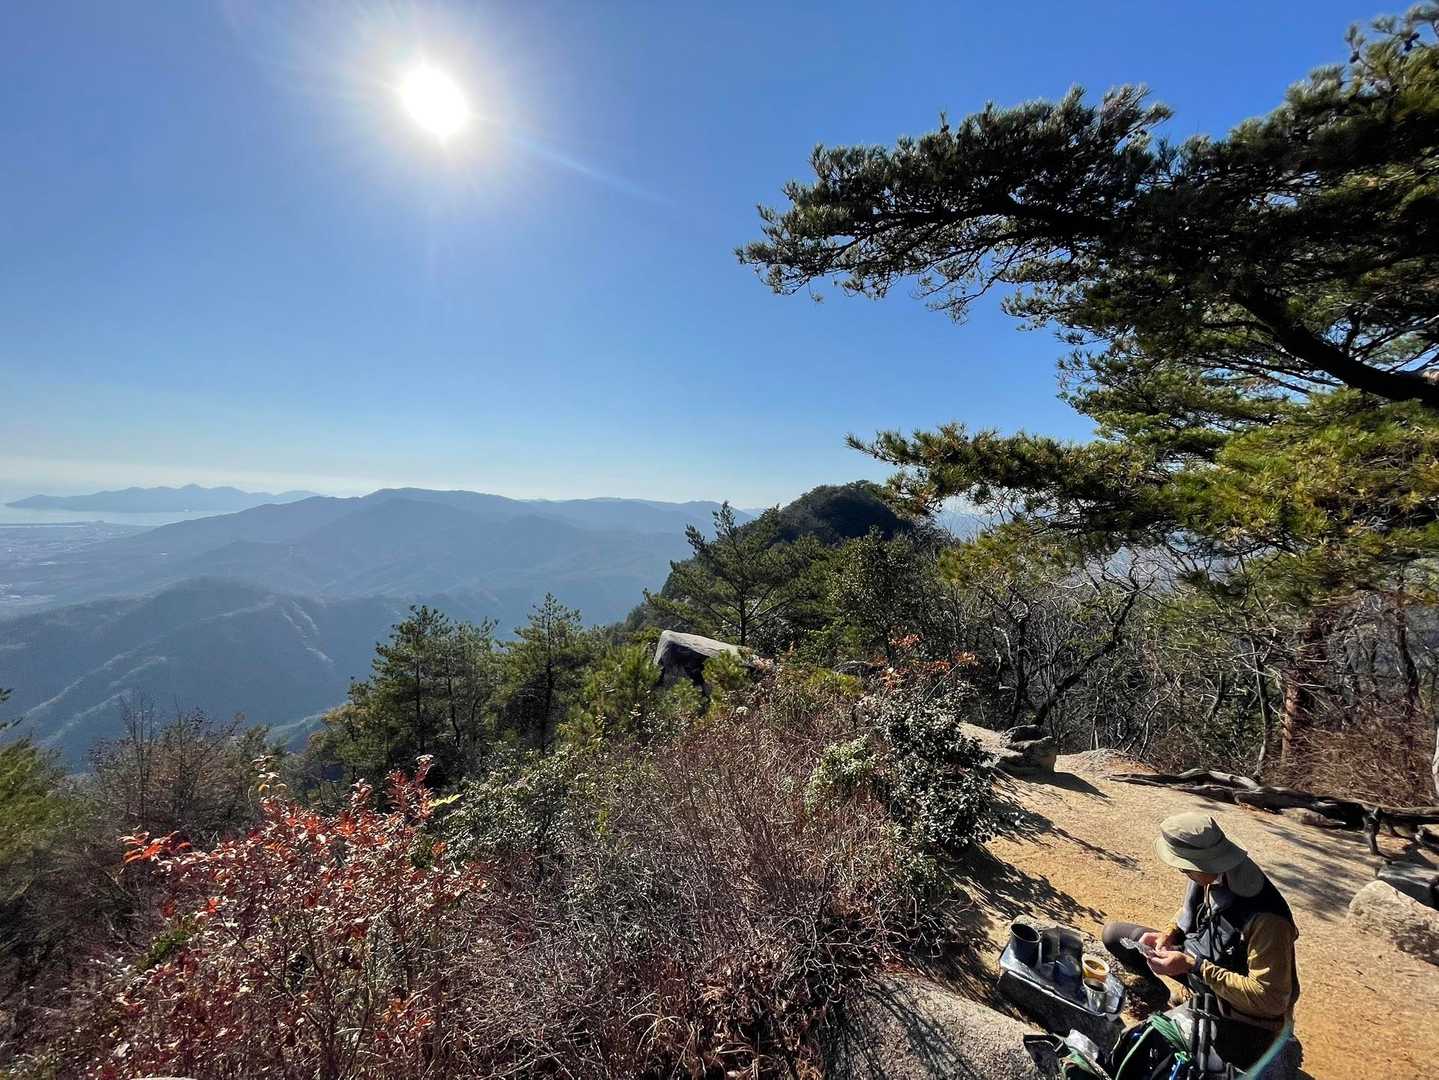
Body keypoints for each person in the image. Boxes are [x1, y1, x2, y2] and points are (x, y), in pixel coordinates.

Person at [1101, 812, 1300, 1070]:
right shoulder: (1211, 873)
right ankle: (1166, 996)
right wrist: (1169, 935)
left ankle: (1195, 1008)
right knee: (1114, 935)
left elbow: (1270, 1000)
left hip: (1241, 1010)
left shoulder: (1267, 919)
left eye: (1184, 866)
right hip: (1200, 965)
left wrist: (1193, 966)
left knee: (1155, 1051)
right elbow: (1192, 912)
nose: (1181, 870)